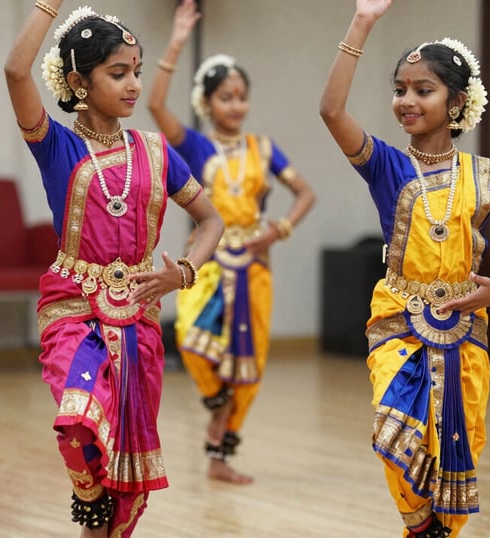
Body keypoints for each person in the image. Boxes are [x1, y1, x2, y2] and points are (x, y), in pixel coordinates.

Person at [319, 1, 490, 536]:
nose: (406, 100)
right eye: (400, 88)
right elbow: (332, 111)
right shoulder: (385, 163)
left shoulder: (485, 175)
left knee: (457, 442)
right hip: (399, 315)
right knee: (393, 428)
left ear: (457, 102)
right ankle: (419, 526)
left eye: (423, 89)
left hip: (466, 329)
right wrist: (362, 23)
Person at [4, 1, 223, 536]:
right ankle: (90, 500)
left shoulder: (156, 150)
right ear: (79, 80)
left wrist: (185, 272)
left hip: (140, 321)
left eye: (137, 73)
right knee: (80, 419)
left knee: (125, 477)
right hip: (74, 311)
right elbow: (15, 71)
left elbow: (211, 219)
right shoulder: (55, 144)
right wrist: (47, 6)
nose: (132, 85)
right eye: (118, 73)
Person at [147, 0, 315, 485]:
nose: (235, 105)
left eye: (241, 96)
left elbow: (304, 193)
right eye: (225, 97)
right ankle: (214, 404)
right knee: (192, 341)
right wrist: (176, 42)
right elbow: (156, 106)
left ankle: (220, 455)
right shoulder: (196, 145)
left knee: (251, 363)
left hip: (254, 266)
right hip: (207, 261)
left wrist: (276, 231)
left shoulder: (264, 149)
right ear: (208, 102)